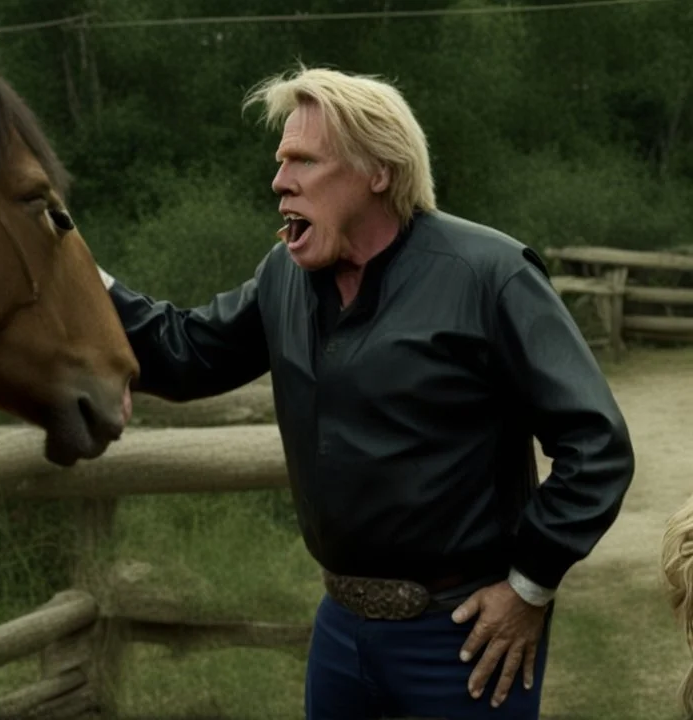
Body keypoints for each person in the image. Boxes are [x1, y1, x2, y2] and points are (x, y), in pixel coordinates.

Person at [97, 66, 635, 719]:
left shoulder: (487, 274)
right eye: (280, 160)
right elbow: (183, 354)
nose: (279, 180)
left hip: (464, 638)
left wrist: (530, 585)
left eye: (303, 160)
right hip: (341, 634)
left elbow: (596, 444)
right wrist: (74, 270)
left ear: (378, 171)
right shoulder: (283, 277)